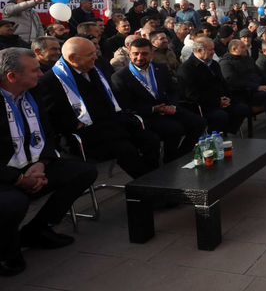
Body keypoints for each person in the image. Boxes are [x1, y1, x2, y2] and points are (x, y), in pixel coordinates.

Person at [0, 48, 98, 277]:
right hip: (4, 174)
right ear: (12, 77)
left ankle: (37, 230)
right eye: (34, 70)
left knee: (82, 172)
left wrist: (42, 162)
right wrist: (18, 179)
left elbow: (46, 133)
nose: (41, 74)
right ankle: (6, 250)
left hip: (32, 163)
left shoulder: (33, 91)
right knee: (13, 203)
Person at [38, 37, 160, 178]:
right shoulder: (50, 81)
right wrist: (77, 123)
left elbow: (111, 99)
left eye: (95, 53)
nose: (95, 57)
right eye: (90, 55)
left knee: (150, 139)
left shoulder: (95, 70)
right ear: (72, 58)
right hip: (83, 134)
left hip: (111, 124)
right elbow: (51, 118)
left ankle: (154, 181)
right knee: (125, 149)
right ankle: (148, 186)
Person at [111, 38, 206, 162]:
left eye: (144, 54)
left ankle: (180, 155)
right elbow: (126, 106)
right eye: (135, 54)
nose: (139, 57)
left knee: (199, 122)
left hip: (167, 108)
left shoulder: (160, 68)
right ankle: (170, 160)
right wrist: (153, 109)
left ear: (152, 54)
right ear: (130, 54)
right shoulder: (120, 77)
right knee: (175, 129)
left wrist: (172, 105)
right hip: (145, 116)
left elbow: (173, 90)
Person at [177, 38, 250, 135]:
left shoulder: (214, 64)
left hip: (220, 100)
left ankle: (226, 133)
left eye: (213, 49)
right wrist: (217, 102)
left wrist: (228, 98)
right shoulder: (186, 69)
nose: (213, 52)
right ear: (199, 50)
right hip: (203, 105)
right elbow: (191, 95)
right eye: (210, 49)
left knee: (242, 109)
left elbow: (223, 83)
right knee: (220, 116)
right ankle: (211, 137)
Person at [220, 39, 266, 137]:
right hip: (245, 94)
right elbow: (232, 82)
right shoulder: (226, 62)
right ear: (234, 49)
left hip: (258, 88)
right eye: (243, 47)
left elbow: (260, 73)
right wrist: (256, 87)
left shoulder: (247, 58)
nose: (246, 49)